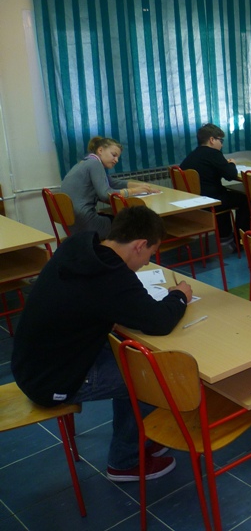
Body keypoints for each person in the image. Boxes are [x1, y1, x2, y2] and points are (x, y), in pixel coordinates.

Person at [11, 206, 193, 482]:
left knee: (132, 353)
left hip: (33, 361)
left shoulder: (81, 245)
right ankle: (125, 461)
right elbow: (158, 322)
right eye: (150, 253)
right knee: (151, 377)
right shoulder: (110, 275)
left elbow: (110, 301)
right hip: (51, 380)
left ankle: (142, 436)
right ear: (139, 245)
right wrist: (179, 296)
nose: (147, 262)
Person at [60, 137, 155, 239]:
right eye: (114, 155)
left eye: (118, 157)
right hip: (85, 224)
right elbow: (105, 194)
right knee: (130, 222)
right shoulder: (95, 164)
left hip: (71, 224)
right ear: (100, 150)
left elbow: (112, 182)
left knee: (116, 216)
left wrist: (140, 186)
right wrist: (134, 191)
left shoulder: (86, 162)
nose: (116, 160)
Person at [180, 123, 250, 249]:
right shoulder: (213, 154)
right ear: (212, 140)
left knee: (225, 193)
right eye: (220, 141)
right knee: (244, 199)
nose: (221, 145)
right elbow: (230, 175)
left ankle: (225, 236)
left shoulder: (193, 154)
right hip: (211, 201)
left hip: (194, 200)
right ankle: (242, 240)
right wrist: (232, 164)